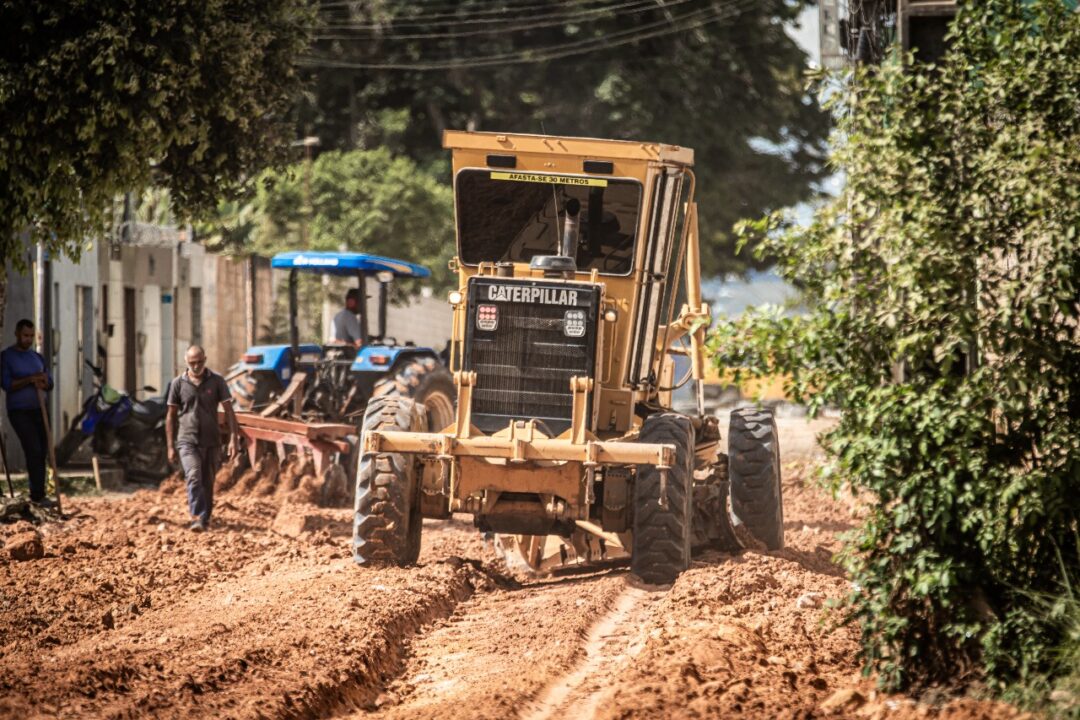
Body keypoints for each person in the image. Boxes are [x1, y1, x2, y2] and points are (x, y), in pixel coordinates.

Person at [165, 345, 239, 532]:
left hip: (212, 441)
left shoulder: (217, 382)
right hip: (187, 440)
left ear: (205, 359)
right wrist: (170, 446)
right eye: (192, 363)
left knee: (207, 482)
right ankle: (196, 516)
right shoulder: (178, 384)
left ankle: (205, 519)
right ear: (186, 362)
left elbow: (229, 412)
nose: (196, 366)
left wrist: (233, 439)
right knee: (194, 475)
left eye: (199, 362)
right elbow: (171, 416)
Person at [0, 319, 55, 506]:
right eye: (25, 335)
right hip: (20, 412)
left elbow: (50, 382)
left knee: (42, 451)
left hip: (40, 410)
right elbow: (7, 384)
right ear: (17, 333)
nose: (28, 339)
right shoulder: (7, 357)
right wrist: (30, 379)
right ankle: (37, 495)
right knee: (33, 449)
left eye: (31, 336)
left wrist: (43, 382)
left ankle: (39, 494)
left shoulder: (37, 358)